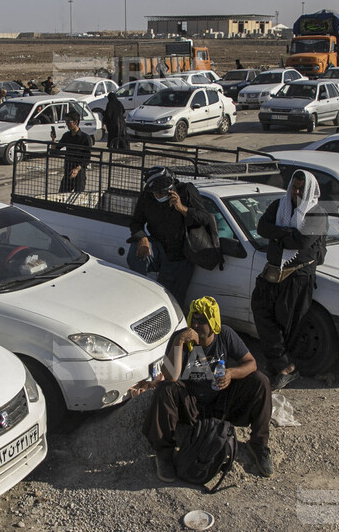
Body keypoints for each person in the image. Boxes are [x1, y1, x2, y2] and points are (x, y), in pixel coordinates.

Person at [132, 297, 274, 481]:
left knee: (260, 381)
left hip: (221, 401)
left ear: (213, 322)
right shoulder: (182, 339)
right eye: (194, 319)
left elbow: (251, 363)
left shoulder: (225, 335)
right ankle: (164, 453)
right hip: (191, 404)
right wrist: (179, 342)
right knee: (166, 389)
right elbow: (171, 376)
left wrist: (231, 373)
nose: (196, 325)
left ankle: (259, 445)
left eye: (202, 321)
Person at [251, 170, 325, 390]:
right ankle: (283, 364)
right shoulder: (280, 205)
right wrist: (286, 232)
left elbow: (300, 242)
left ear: (310, 189)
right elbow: (262, 227)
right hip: (273, 272)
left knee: (288, 322)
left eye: (302, 188)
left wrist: (277, 235)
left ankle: (283, 368)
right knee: (262, 311)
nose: (297, 192)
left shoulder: (317, 213)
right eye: (294, 187)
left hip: (298, 276)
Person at [127, 166, 213, 303]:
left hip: (179, 254)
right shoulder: (147, 196)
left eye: (162, 193)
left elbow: (205, 218)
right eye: (156, 193)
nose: (159, 196)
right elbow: (136, 222)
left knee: (170, 300)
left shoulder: (186, 191)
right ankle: (138, 295)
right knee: (135, 251)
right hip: (158, 247)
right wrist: (142, 237)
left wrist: (182, 208)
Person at [52, 109, 93, 192]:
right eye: (66, 121)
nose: (66, 123)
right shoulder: (67, 136)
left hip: (79, 173)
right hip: (68, 170)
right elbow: (55, 150)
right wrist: (53, 139)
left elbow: (87, 158)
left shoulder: (85, 138)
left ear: (76, 122)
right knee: (61, 195)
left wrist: (77, 169)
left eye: (68, 121)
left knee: (78, 197)